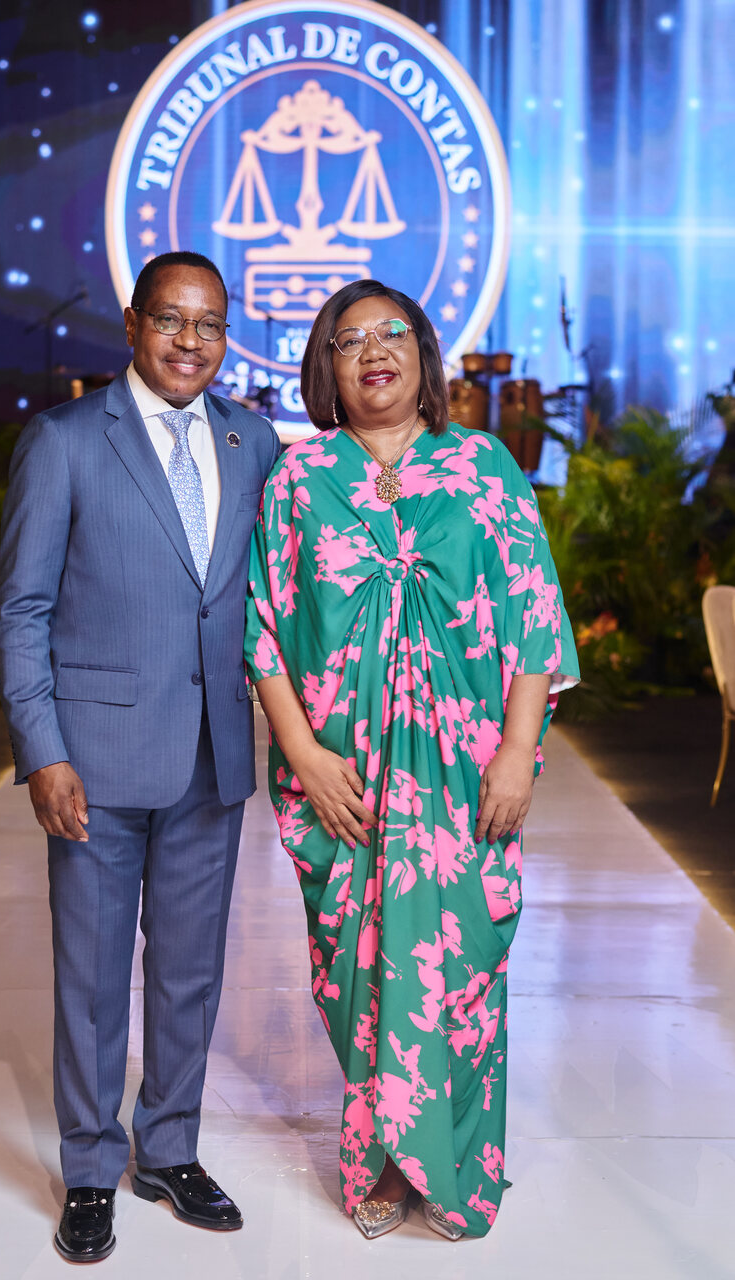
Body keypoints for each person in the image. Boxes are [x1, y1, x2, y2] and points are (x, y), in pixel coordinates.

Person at [245, 280, 579, 1241]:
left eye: (392, 333)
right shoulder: (301, 477)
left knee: (459, 965)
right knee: (357, 965)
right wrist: (303, 754)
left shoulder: (483, 466)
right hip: (344, 780)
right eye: (349, 340)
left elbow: (534, 613)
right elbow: (262, 627)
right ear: (328, 368)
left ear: (424, 355)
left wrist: (518, 750)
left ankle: (453, 1160)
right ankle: (385, 1158)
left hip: (465, 776)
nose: (374, 351)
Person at [0, 251, 280, 1263]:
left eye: (209, 325)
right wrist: (43, 750)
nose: (190, 341)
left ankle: (168, 1148)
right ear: (132, 323)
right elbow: (22, 609)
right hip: (96, 759)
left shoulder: (253, 439)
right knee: (91, 974)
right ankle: (88, 1167)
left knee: (191, 972)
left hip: (212, 755)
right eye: (170, 319)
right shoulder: (65, 439)